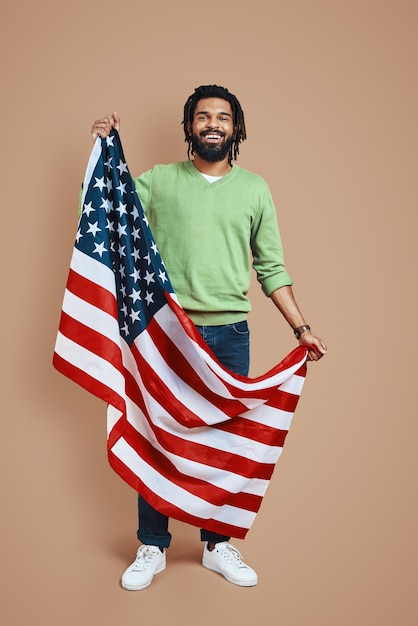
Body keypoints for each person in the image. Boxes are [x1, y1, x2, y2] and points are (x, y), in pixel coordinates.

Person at [90, 84, 327, 591]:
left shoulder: (255, 189)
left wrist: (301, 328)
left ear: (235, 129)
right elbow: (108, 208)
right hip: (167, 332)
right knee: (157, 435)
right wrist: (101, 149)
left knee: (223, 440)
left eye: (222, 117)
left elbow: (272, 267)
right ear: (190, 126)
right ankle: (151, 545)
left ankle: (218, 546)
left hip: (230, 334)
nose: (212, 124)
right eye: (203, 117)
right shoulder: (158, 181)